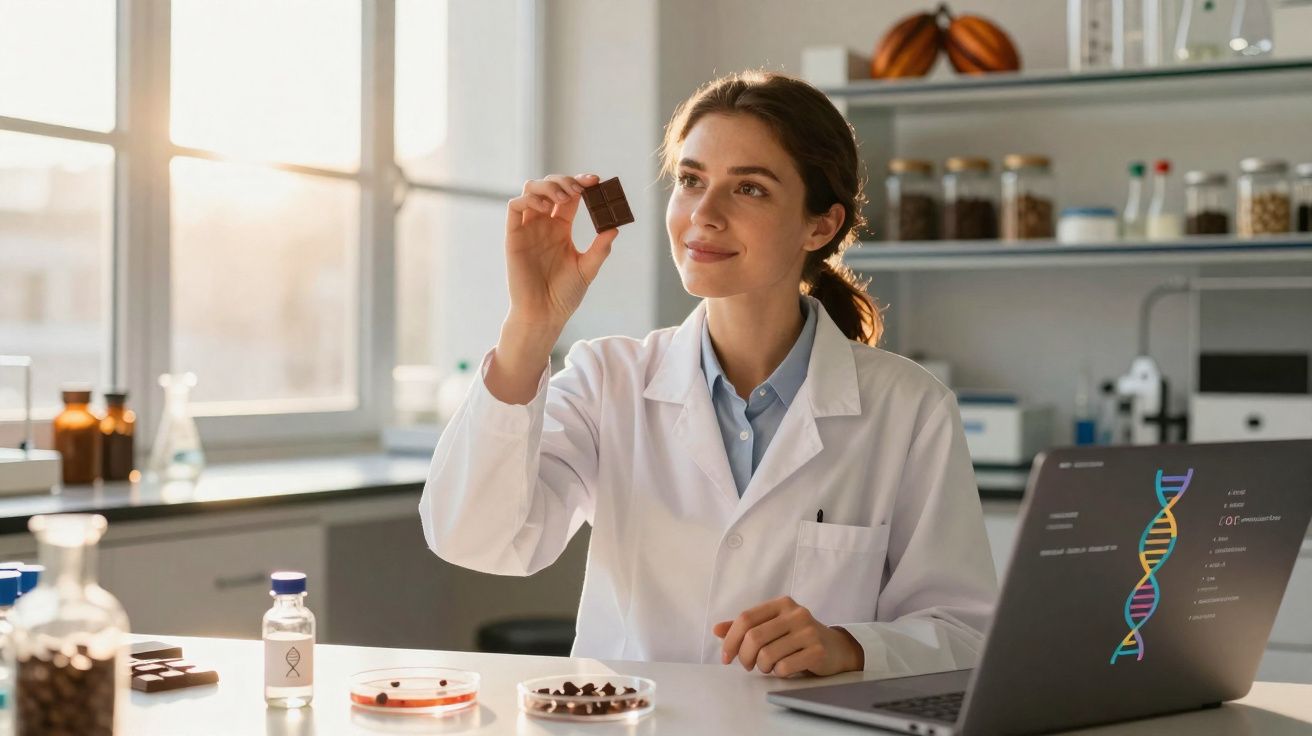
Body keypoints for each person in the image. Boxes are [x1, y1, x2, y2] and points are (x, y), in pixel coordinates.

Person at [420, 70, 996, 678]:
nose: (704, 214)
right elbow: (475, 537)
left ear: (820, 225)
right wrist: (532, 325)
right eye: (691, 180)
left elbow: (963, 631)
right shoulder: (607, 380)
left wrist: (849, 647)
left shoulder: (909, 407)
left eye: (749, 189)